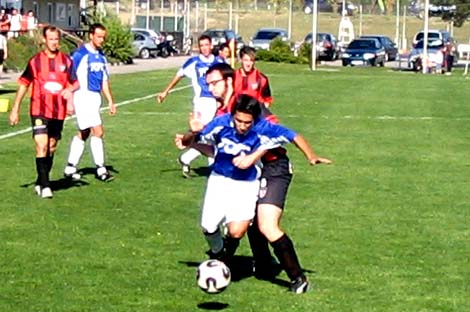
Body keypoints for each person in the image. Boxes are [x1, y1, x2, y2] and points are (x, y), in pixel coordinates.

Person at [177, 63, 332, 294]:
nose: (210, 88)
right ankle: (256, 263)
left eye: (214, 82)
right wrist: (193, 140)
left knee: (266, 224)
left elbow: (275, 136)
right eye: (207, 84)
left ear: (228, 81)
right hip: (247, 171)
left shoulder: (249, 106)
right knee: (246, 221)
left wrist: (309, 156)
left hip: (273, 167)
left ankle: (297, 278)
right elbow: (220, 149)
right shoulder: (223, 117)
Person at [8, 25, 78, 198]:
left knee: (52, 147)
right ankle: (46, 186)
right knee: (41, 145)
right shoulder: (35, 62)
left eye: (56, 39)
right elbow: (24, 83)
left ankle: (41, 180)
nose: (54, 42)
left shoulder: (66, 61)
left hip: (58, 110)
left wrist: (70, 93)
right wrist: (15, 108)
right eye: (51, 39)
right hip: (39, 109)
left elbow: (75, 82)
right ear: (44, 40)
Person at [157, 34, 225, 178]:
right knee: (208, 132)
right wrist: (165, 91)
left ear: (211, 45)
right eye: (202, 46)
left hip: (218, 101)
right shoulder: (194, 62)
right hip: (202, 101)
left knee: (210, 134)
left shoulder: (219, 61)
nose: (205, 48)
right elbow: (179, 75)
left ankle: (186, 158)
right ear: (199, 48)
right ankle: (212, 164)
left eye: (207, 45)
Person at [63, 23, 116, 182]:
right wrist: (70, 100)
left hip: (94, 98)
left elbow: (104, 81)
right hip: (83, 97)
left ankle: (70, 167)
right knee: (98, 132)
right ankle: (101, 169)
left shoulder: (101, 56)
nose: (101, 40)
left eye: (103, 37)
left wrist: (110, 101)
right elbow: (70, 77)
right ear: (91, 35)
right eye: (98, 36)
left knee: (84, 132)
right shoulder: (80, 54)